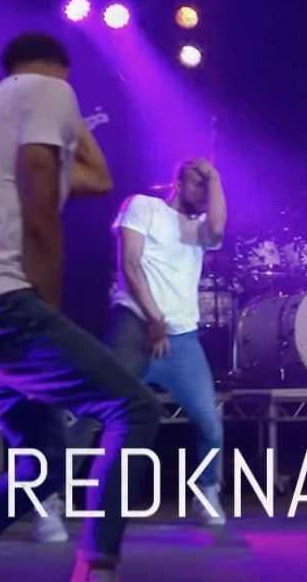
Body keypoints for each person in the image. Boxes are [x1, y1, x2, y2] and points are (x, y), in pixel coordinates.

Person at [0, 32, 163, 582]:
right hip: (3, 300)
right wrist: (49, 306)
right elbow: (42, 207)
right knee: (135, 408)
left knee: (45, 463)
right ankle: (96, 569)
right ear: (58, 71)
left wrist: (70, 123)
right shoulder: (44, 89)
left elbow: (97, 179)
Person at [104, 157, 229, 524]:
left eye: (208, 186)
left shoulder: (200, 229)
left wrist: (215, 176)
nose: (203, 192)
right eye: (198, 183)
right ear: (178, 184)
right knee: (94, 412)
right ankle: (50, 495)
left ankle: (207, 492)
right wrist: (154, 318)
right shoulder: (142, 206)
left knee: (209, 422)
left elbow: (219, 227)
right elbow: (130, 264)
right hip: (135, 327)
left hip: (181, 340)